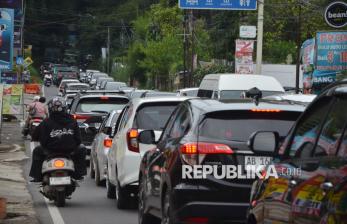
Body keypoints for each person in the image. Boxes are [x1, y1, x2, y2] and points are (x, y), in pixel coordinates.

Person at [29, 97, 87, 182]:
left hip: (50, 151)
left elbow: (36, 136)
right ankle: (79, 174)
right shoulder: (72, 121)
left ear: (50, 109)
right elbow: (78, 139)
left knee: (37, 151)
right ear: (65, 108)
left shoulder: (46, 122)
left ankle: (37, 176)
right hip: (69, 151)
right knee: (82, 149)